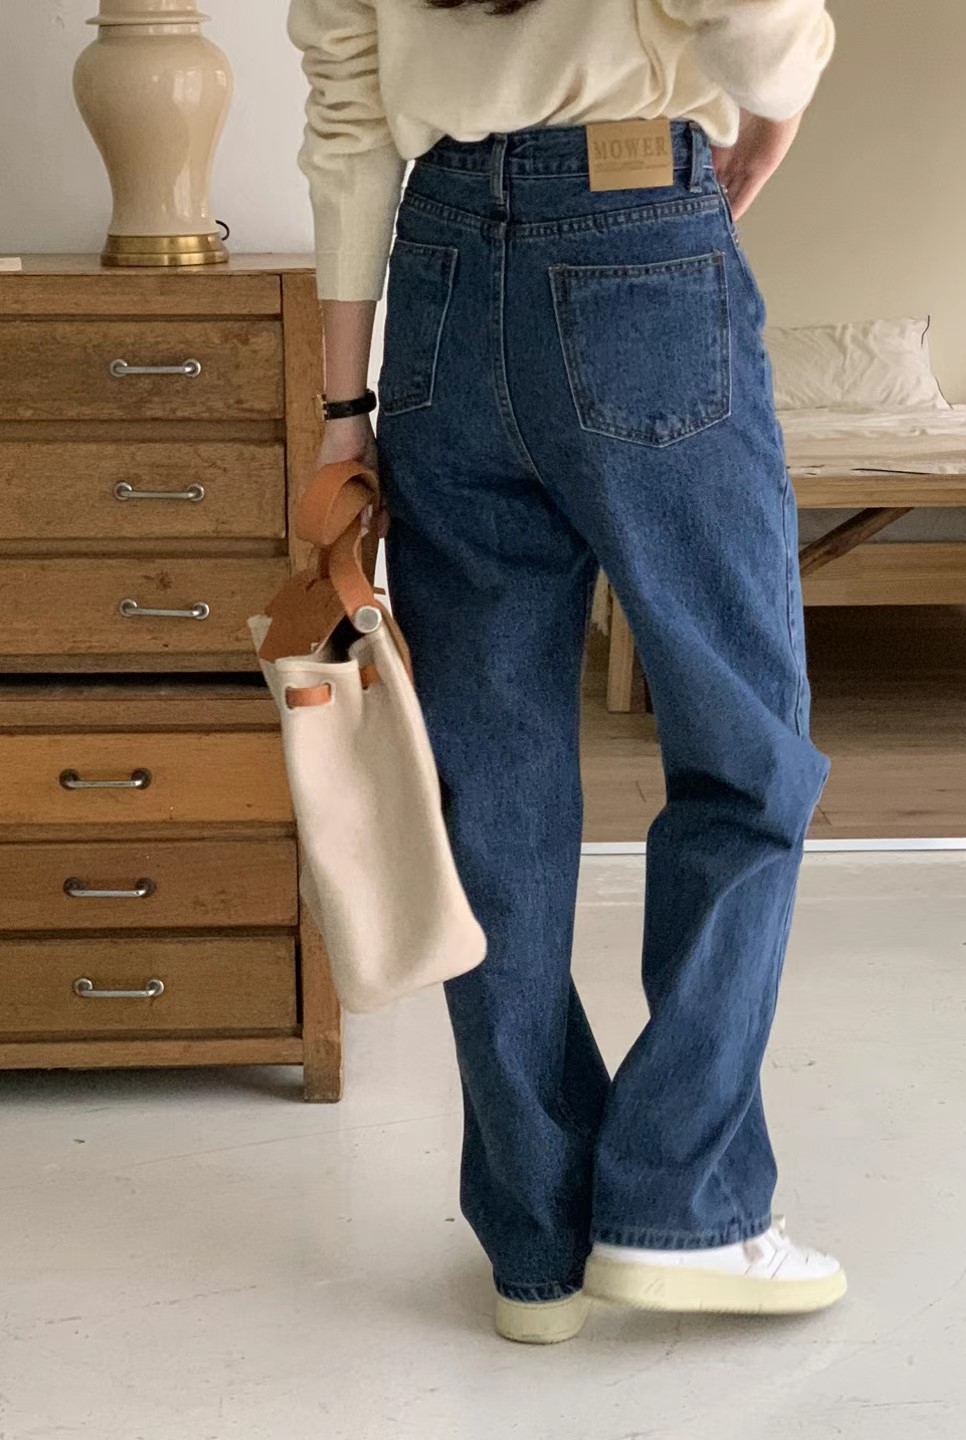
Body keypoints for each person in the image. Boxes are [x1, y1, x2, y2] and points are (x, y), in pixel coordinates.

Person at [288, 0, 843, 1344]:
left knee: (491, 785)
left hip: (435, 280)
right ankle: (676, 1206)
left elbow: (349, 121)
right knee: (747, 755)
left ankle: (535, 1242)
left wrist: (343, 410)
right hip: (637, 240)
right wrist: (778, 110)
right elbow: (758, 28)